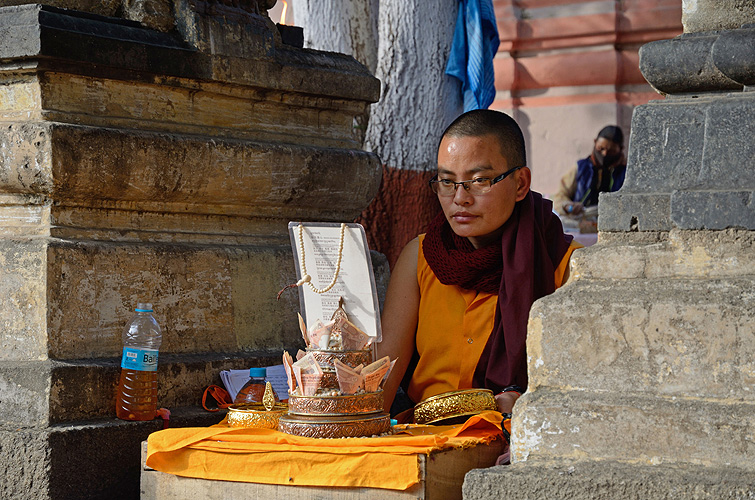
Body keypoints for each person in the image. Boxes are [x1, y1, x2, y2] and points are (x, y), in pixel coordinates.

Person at [377, 109, 581, 426]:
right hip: (424, 440)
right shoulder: (421, 257)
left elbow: (579, 391)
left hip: (513, 444)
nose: (460, 198)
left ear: (520, 183)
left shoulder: (566, 265)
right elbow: (382, 380)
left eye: (479, 181)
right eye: (447, 182)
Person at [552, 125, 627, 216]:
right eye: (601, 148)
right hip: (581, 223)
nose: (604, 154)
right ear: (595, 142)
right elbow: (560, 195)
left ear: (621, 149)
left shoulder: (626, 173)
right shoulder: (581, 168)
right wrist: (568, 206)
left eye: (611, 151)